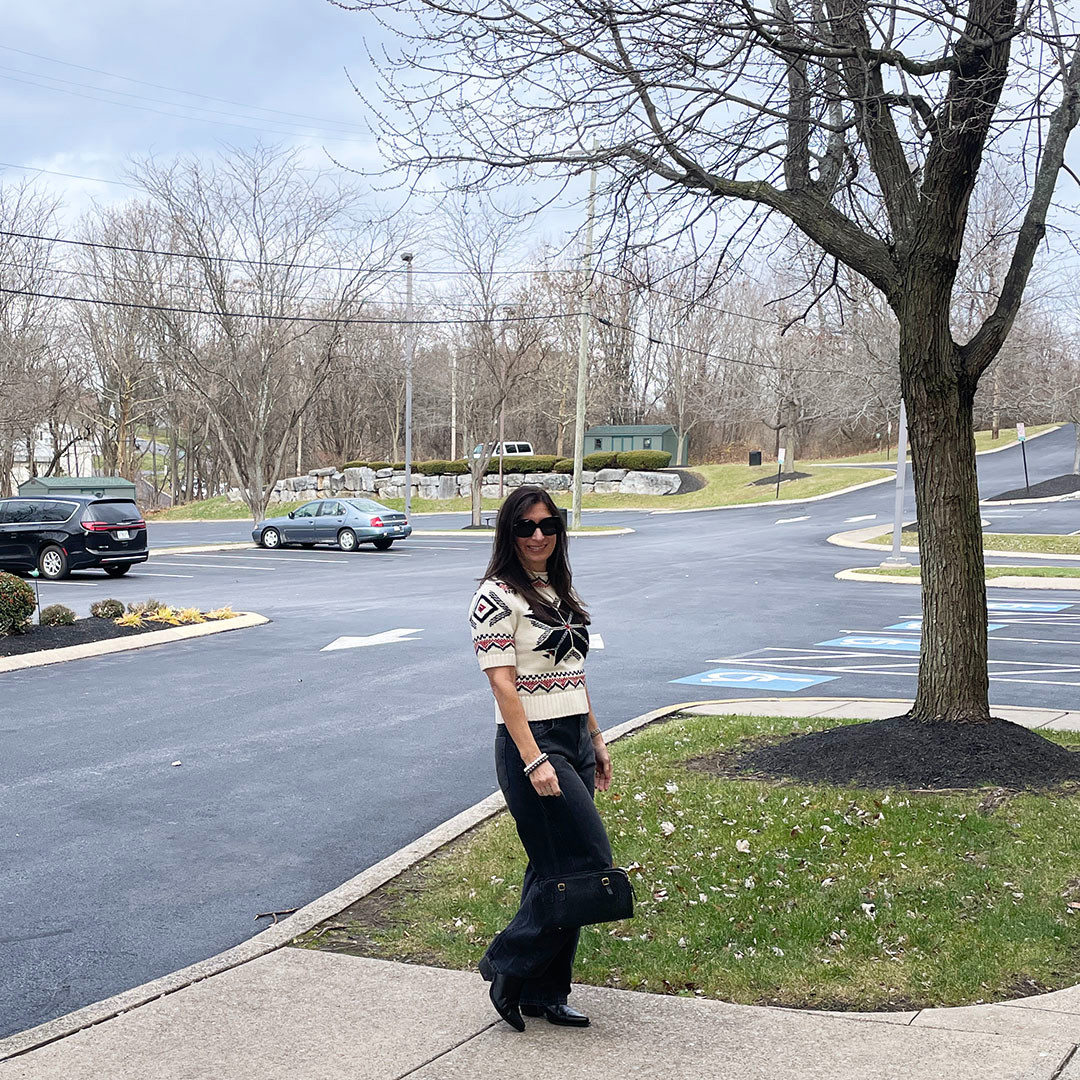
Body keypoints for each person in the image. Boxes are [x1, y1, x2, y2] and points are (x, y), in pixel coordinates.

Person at [468, 485, 615, 1032]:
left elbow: (575, 673)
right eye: (525, 527)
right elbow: (503, 687)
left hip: (574, 735)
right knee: (586, 862)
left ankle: (546, 993)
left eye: (548, 526)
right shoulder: (494, 597)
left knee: (553, 867)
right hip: (531, 742)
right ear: (508, 532)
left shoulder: (555, 589)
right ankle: (507, 965)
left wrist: (596, 738)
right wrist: (535, 760)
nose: (537, 536)